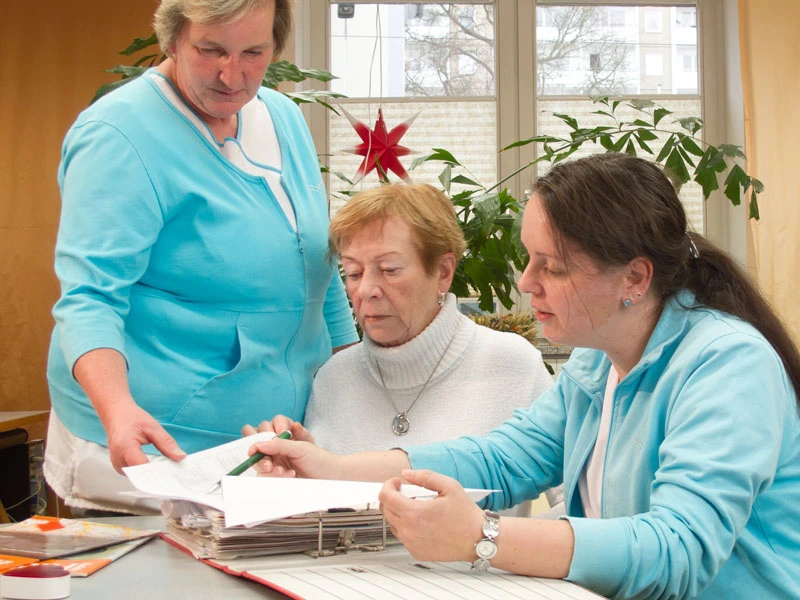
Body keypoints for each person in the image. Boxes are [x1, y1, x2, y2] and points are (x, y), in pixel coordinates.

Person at [248, 154, 800, 599]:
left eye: (552, 267)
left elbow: (675, 550)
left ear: (634, 276)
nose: (527, 282)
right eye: (529, 258)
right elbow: (502, 458)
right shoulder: (595, 358)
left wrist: (482, 537)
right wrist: (334, 469)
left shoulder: (728, 365)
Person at [44, 0, 358, 514]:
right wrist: (118, 409)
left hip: (264, 444)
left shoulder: (281, 117)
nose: (231, 75)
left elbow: (315, 274)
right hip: (149, 447)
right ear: (172, 40)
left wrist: (355, 381)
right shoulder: (118, 136)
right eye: (210, 50)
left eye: (253, 52)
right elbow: (89, 299)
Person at [244, 182, 558, 515]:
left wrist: (497, 546)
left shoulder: (513, 365)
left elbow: (580, 507)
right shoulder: (333, 378)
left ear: (443, 272)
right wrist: (293, 480)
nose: (365, 289)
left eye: (389, 270)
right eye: (352, 272)